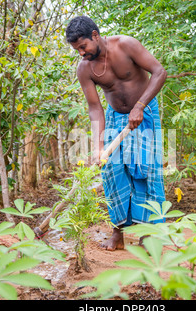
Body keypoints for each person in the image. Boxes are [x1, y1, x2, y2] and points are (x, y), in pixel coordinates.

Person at [65, 16, 167, 251]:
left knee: (145, 171)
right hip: (114, 118)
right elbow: (94, 108)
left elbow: (159, 72)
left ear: (95, 35)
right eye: (76, 50)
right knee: (111, 172)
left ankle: (149, 233)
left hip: (145, 112)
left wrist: (140, 106)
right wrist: (98, 146)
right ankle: (119, 232)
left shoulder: (126, 45)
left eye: (83, 47)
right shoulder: (84, 68)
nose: (81, 53)